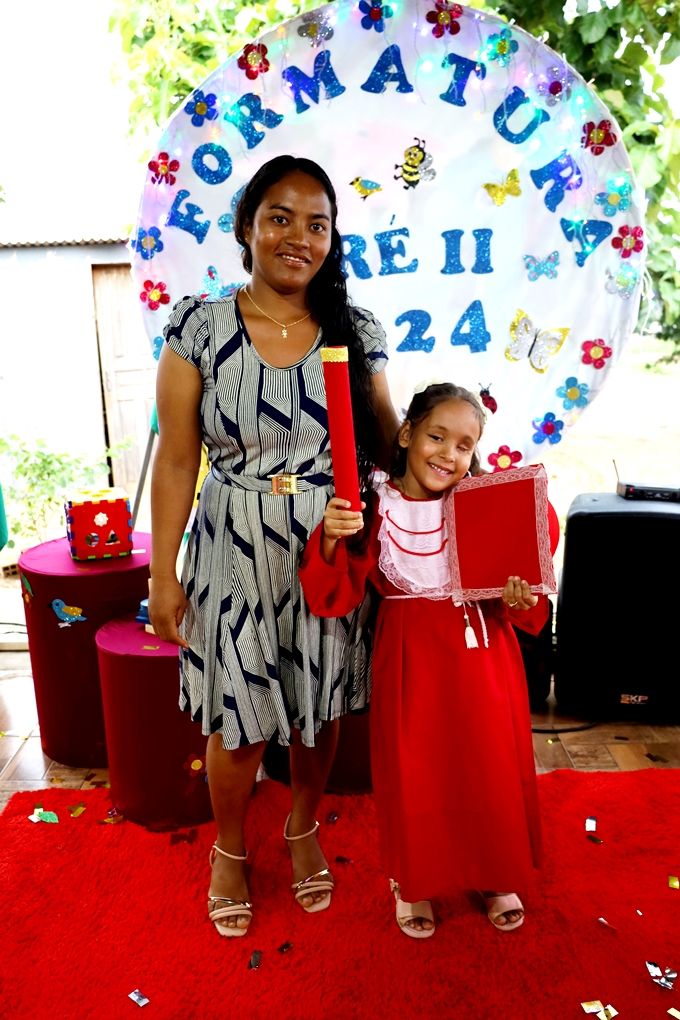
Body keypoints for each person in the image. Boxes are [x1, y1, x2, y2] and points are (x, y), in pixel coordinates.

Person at [148, 154, 399, 937]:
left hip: (328, 544)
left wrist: (451, 448)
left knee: (320, 705)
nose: (299, 237)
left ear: (333, 238)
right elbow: (177, 459)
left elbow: (388, 444)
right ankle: (229, 848)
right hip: (232, 539)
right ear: (246, 227)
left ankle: (301, 826)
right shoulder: (199, 328)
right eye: (280, 218)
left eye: (317, 224)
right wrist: (162, 575)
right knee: (238, 714)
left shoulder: (354, 329)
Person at [299, 382, 559, 939]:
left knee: (486, 765)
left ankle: (493, 872)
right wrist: (331, 540)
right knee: (418, 772)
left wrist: (519, 595)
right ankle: (413, 881)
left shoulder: (484, 503)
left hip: (484, 658)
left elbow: (524, 595)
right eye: (437, 437)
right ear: (407, 433)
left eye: (464, 445)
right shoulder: (374, 505)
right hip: (411, 659)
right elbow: (332, 594)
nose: (449, 455)